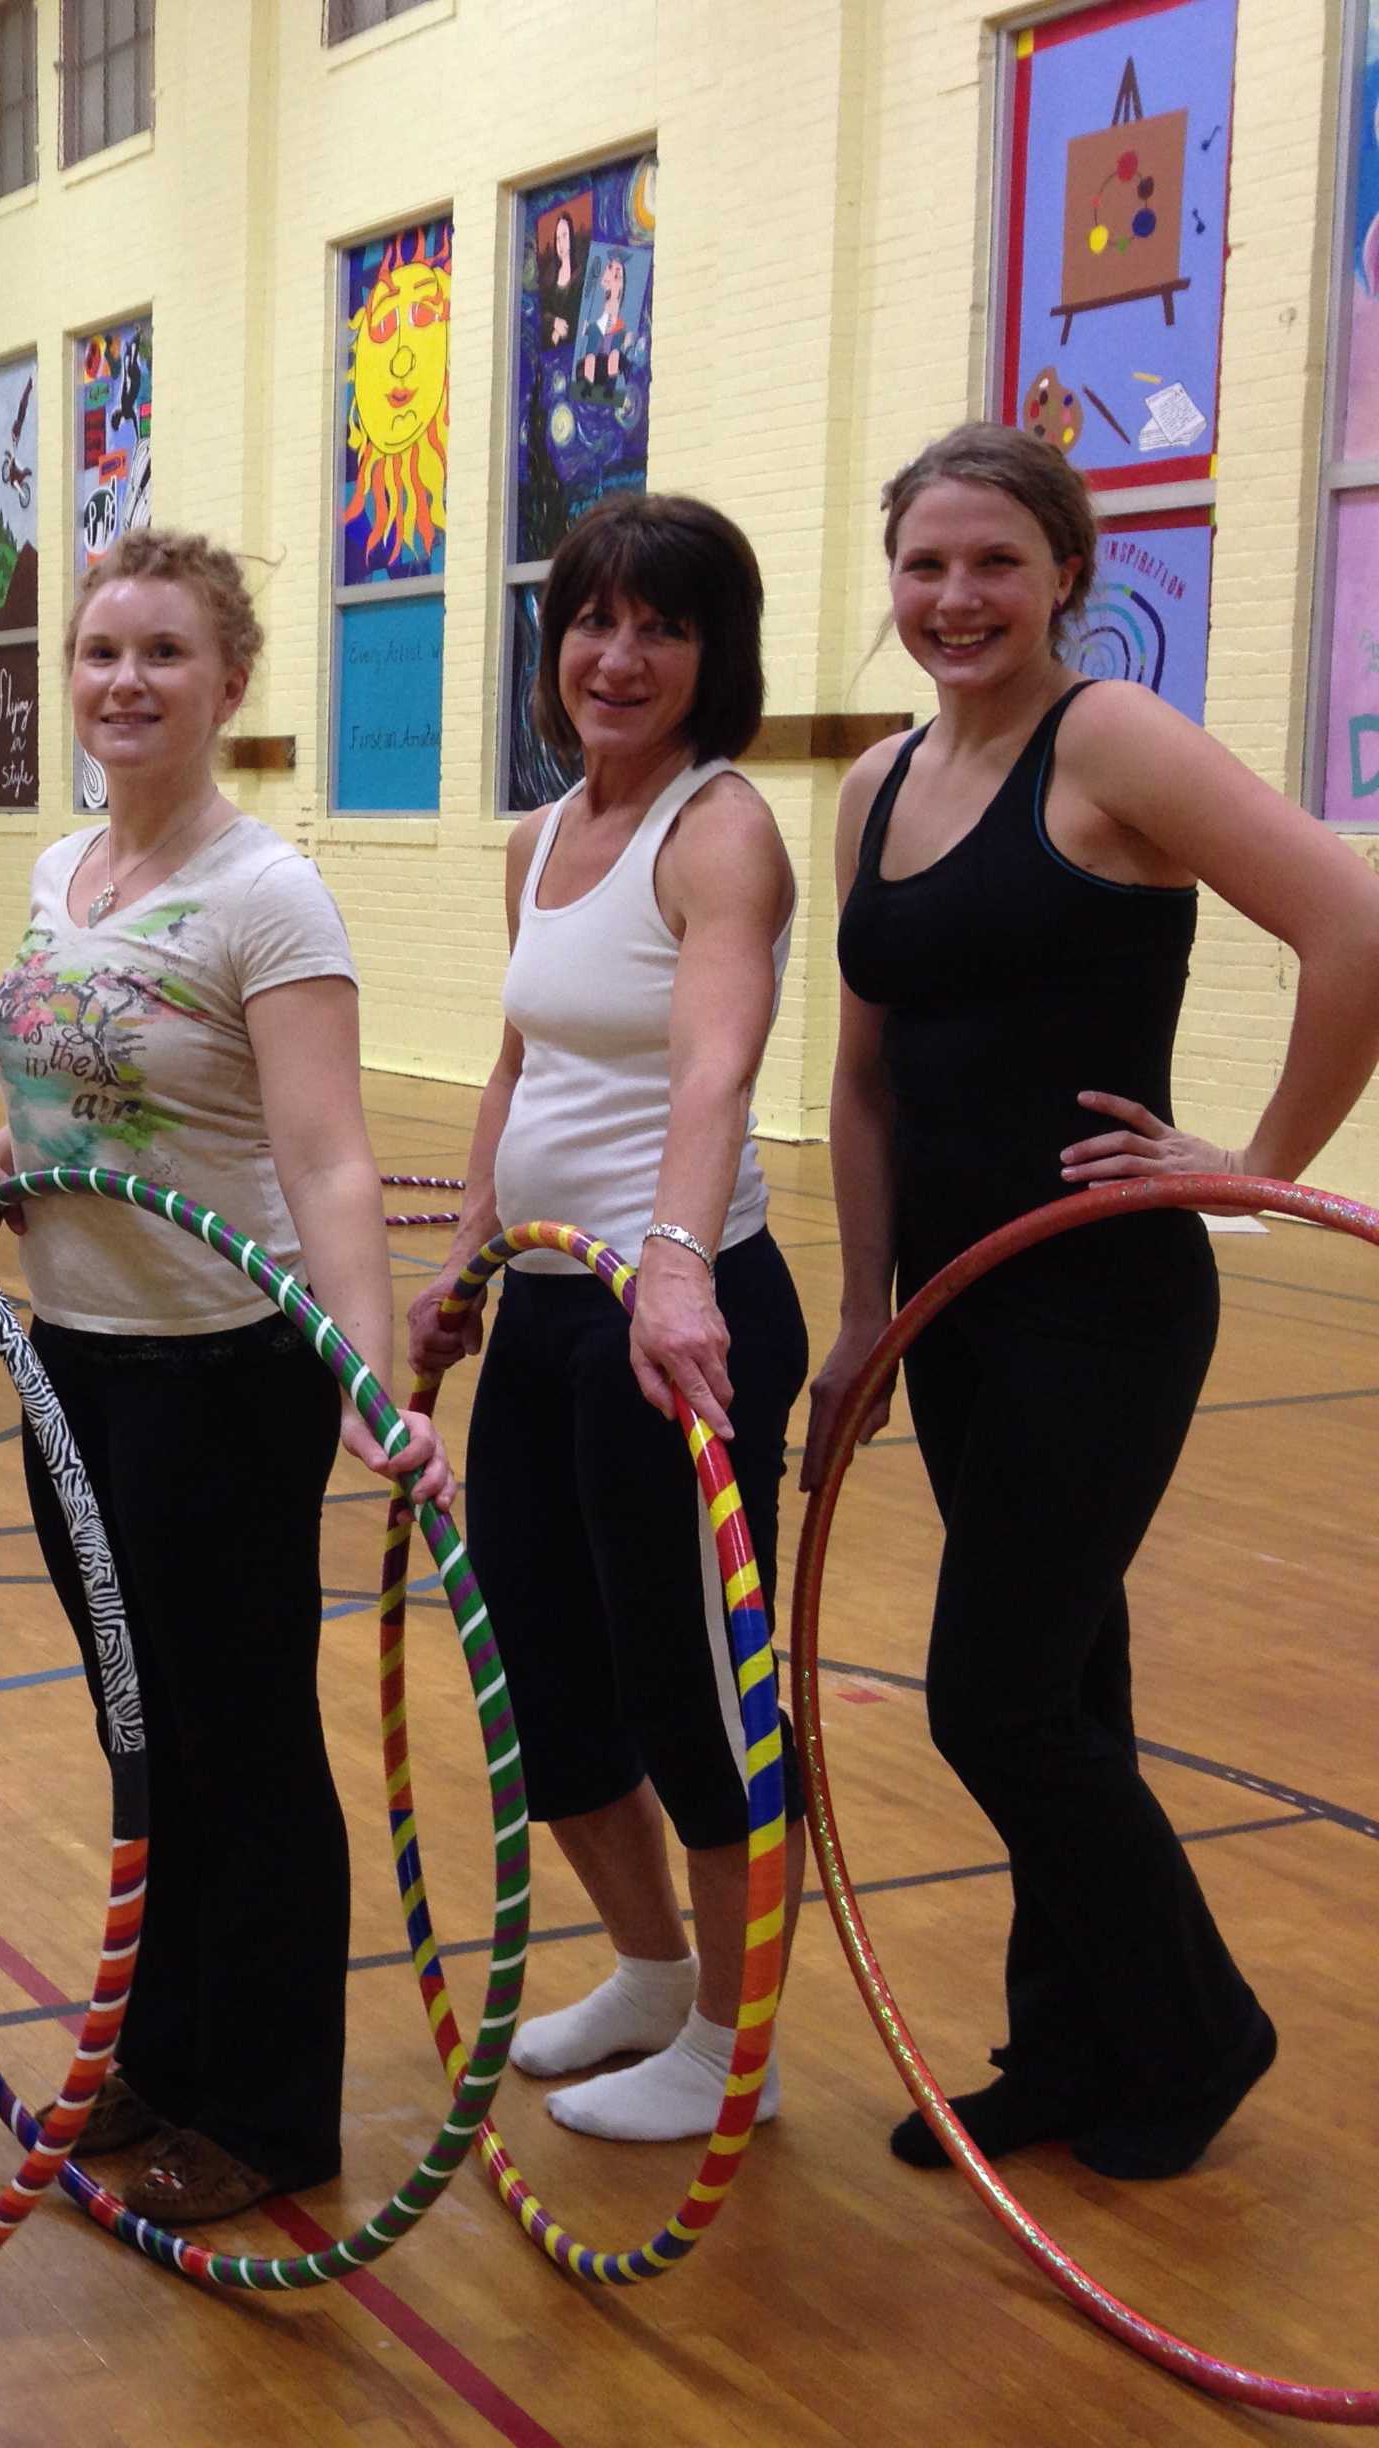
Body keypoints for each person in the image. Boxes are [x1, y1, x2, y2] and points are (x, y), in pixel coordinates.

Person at [810, 423, 1379, 2179]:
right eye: (927, 566)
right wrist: (859, 1314)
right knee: (1070, 1683)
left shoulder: (1111, 740)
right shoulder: (876, 785)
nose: (957, 597)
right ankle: (1069, 2051)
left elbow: (1356, 923)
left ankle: (1201, 2032)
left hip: (1097, 1303)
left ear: (1070, 574)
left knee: (996, 1703)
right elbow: (867, 1083)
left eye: (997, 562)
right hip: (951, 1309)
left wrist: (1258, 1169)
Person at [0, 527, 449, 2223]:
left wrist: (373, 1377)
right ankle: (161, 2051)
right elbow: (79, 1093)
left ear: (230, 683)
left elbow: (328, 1163)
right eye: (99, 653)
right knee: (138, 1733)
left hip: (226, 1371)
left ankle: (273, 2112)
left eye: (165, 654)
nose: (126, 681)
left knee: (238, 1745)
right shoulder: (59, 873)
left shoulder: (266, 892)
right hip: (73, 1360)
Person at [410, 493, 807, 2145]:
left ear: (716, 657)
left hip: (682, 1320)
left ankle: (736, 2043)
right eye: (593, 620)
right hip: (560, 1307)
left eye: (663, 627)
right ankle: (648, 1973)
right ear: (553, 639)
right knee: (545, 1680)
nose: (618, 656)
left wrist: (678, 1262)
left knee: (686, 1693)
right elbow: (528, 1064)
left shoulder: (724, 833)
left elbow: (712, 1063)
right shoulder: (540, 837)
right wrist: (472, 1257)